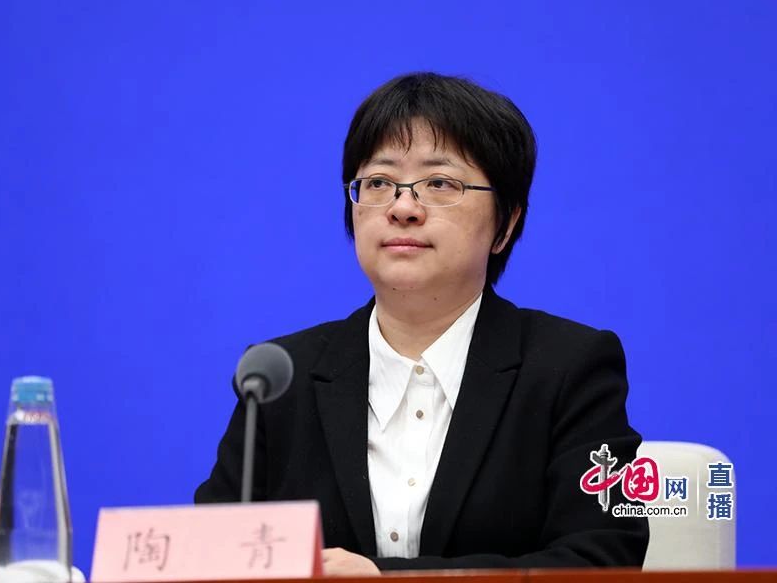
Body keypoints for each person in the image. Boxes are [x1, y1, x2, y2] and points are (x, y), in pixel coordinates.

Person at [195, 72, 648, 574]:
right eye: (378, 183)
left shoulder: (569, 368)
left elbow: (602, 559)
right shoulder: (280, 376)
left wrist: (387, 579)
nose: (403, 207)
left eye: (439, 183)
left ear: (506, 223)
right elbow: (211, 558)